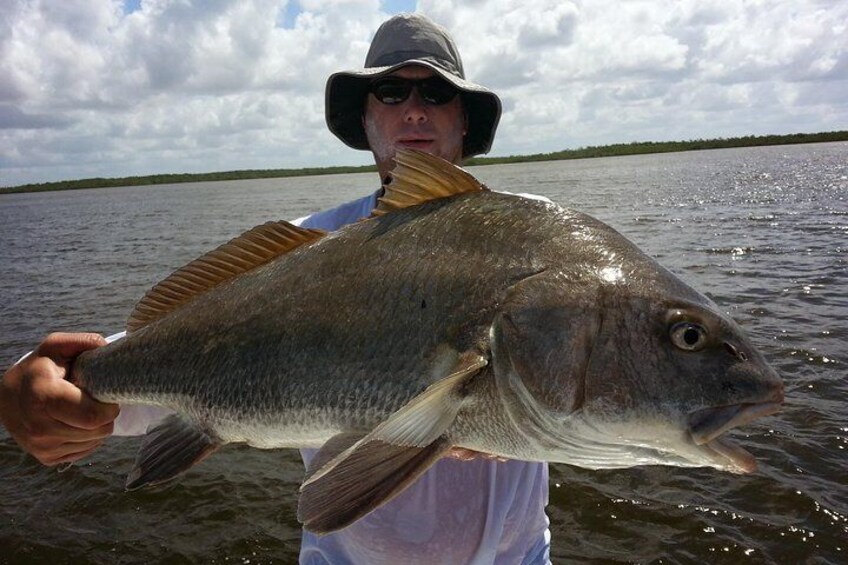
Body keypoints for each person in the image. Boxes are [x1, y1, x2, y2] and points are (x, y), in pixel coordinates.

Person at [0, 13, 551, 564]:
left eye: (437, 92)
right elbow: (171, 351)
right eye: (389, 90)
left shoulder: (540, 241)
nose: (414, 108)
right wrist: (36, 387)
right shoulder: (309, 247)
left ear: (463, 120)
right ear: (365, 118)